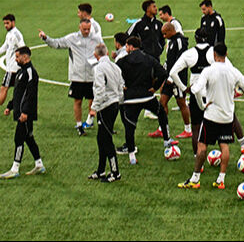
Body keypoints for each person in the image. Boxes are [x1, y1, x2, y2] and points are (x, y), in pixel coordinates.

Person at [177, 43, 244, 190]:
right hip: (227, 116)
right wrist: (236, 92)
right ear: (227, 54)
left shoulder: (208, 71)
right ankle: (220, 180)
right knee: (224, 145)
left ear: (213, 55)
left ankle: (195, 178)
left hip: (211, 115)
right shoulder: (233, 71)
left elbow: (196, 89)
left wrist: (201, 105)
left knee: (202, 145)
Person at [117, 36, 174, 166]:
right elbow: (163, 73)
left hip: (131, 99)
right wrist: (154, 87)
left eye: (127, 46)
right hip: (147, 97)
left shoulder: (123, 61)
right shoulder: (149, 59)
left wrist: (122, 86)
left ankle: (131, 155)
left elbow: (115, 73)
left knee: (130, 126)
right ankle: (167, 140)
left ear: (131, 47)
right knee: (161, 113)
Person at [39, 18, 99, 136]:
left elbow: (102, 51)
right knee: (78, 101)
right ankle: (79, 125)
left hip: (92, 75)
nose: (86, 31)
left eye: (88, 29)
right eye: (84, 29)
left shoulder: (96, 39)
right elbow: (57, 43)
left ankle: (94, 121)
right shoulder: (72, 38)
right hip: (77, 76)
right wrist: (45, 38)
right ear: (79, 27)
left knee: (94, 99)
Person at [0, 47, 45, 179]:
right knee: (28, 137)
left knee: (19, 138)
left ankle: (15, 168)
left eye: (17, 57)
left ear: (25, 57)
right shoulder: (21, 72)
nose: (16, 59)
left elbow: (31, 94)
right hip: (21, 112)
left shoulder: (30, 72)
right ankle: (39, 164)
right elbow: (19, 93)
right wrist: (10, 106)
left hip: (25, 114)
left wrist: (25, 112)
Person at [88, 43, 125, 182]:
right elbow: (121, 86)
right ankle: (101, 170)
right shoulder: (115, 67)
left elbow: (99, 90)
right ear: (107, 53)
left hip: (105, 106)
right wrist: (119, 101)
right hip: (115, 103)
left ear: (95, 55)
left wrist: (94, 108)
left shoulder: (98, 68)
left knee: (106, 139)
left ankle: (115, 172)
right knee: (101, 137)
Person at [155, 20, 192, 140]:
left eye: (165, 34)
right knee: (162, 102)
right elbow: (169, 60)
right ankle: (162, 129)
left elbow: (181, 60)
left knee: (181, 103)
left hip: (178, 78)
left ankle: (188, 129)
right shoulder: (170, 41)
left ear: (171, 31)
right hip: (169, 78)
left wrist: (172, 77)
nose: (164, 37)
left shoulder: (180, 41)